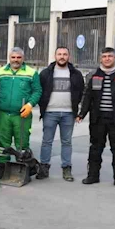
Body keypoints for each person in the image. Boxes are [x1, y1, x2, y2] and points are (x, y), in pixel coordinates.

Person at [78, 47, 115, 189]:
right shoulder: (93, 75)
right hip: (97, 119)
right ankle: (92, 176)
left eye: (110, 56)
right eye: (104, 56)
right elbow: (86, 96)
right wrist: (82, 113)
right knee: (95, 148)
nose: (107, 59)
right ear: (100, 58)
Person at [38, 46, 84, 182]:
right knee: (47, 141)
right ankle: (44, 167)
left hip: (69, 114)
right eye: (59, 54)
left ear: (69, 56)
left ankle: (66, 168)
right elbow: (39, 91)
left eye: (65, 54)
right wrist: (43, 109)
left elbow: (81, 91)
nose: (62, 56)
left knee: (67, 142)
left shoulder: (76, 74)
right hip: (50, 113)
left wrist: (78, 111)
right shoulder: (46, 73)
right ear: (55, 56)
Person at [0, 47, 42, 179]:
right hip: (3, 113)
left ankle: (22, 167)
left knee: (22, 142)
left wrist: (30, 104)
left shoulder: (32, 73)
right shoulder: (1, 72)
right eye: (13, 57)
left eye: (18, 57)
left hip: (22, 114)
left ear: (23, 58)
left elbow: (37, 91)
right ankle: (2, 167)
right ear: (9, 58)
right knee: (2, 142)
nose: (16, 60)